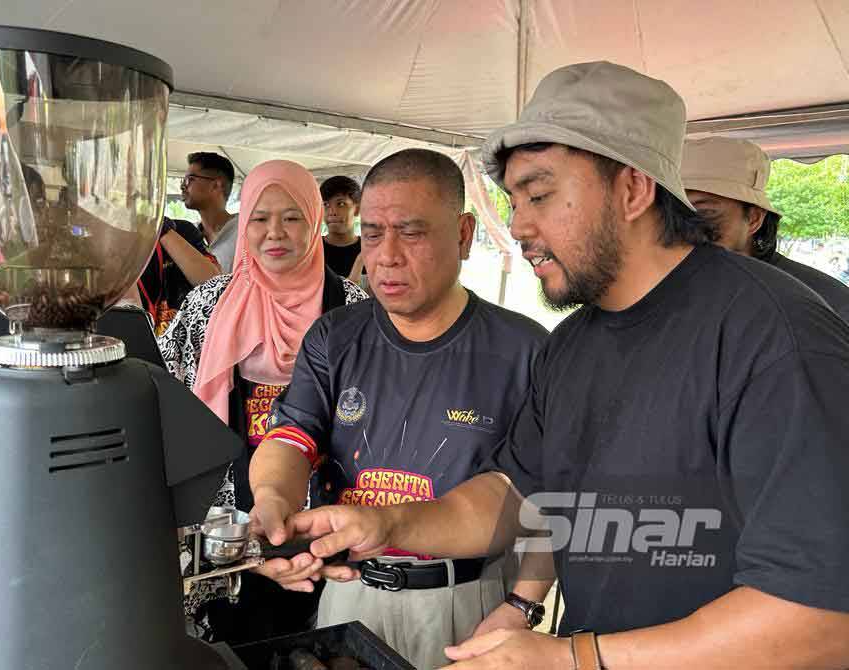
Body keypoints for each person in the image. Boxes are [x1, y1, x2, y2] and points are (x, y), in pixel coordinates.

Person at [275, 62, 849, 669]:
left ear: (633, 188)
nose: (519, 226)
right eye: (515, 200)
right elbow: (512, 495)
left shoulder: (773, 337)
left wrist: (573, 659)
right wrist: (386, 522)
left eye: (540, 194)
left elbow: (821, 617)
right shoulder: (572, 343)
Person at [246, 148, 548, 668]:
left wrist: (523, 605)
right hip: (351, 591)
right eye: (373, 233)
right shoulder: (335, 337)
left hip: (468, 600)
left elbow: (549, 498)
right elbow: (292, 436)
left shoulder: (524, 350)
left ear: (462, 233)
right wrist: (272, 501)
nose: (385, 256)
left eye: (410, 233)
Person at [158, 159, 368, 644]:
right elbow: (169, 398)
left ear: (314, 222)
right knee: (235, 644)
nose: (276, 232)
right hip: (226, 527)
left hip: (326, 526)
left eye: (292, 217)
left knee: (316, 646)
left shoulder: (354, 313)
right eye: (259, 217)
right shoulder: (208, 307)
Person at [682, 136, 849, 322]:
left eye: (704, 212)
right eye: (670, 213)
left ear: (754, 218)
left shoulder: (822, 302)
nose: (681, 227)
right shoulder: (678, 286)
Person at [134, 217, 220, 335]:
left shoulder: (181, 231)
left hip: (186, 342)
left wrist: (160, 227)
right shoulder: (108, 245)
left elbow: (215, 285)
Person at [183, 152, 239, 271]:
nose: (183, 186)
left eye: (190, 180)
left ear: (216, 185)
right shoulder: (187, 236)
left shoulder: (245, 233)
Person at [320, 175, 364, 283]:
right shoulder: (312, 250)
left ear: (357, 209)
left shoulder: (370, 250)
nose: (332, 211)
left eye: (341, 204)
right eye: (326, 204)